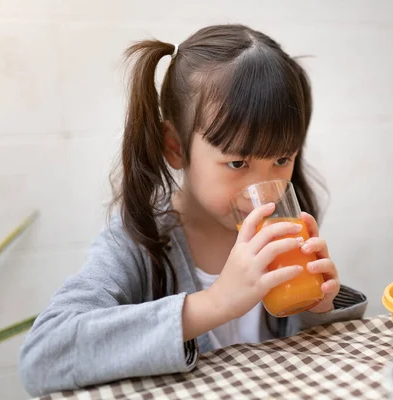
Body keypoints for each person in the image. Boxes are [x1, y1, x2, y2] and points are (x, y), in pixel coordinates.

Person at [18, 24, 368, 397]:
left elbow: (311, 364)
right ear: (176, 147)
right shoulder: (139, 241)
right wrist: (213, 304)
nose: (262, 196)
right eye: (237, 164)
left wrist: (316, 309)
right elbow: (43, 355)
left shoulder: (282, 231)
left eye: (282, 159)